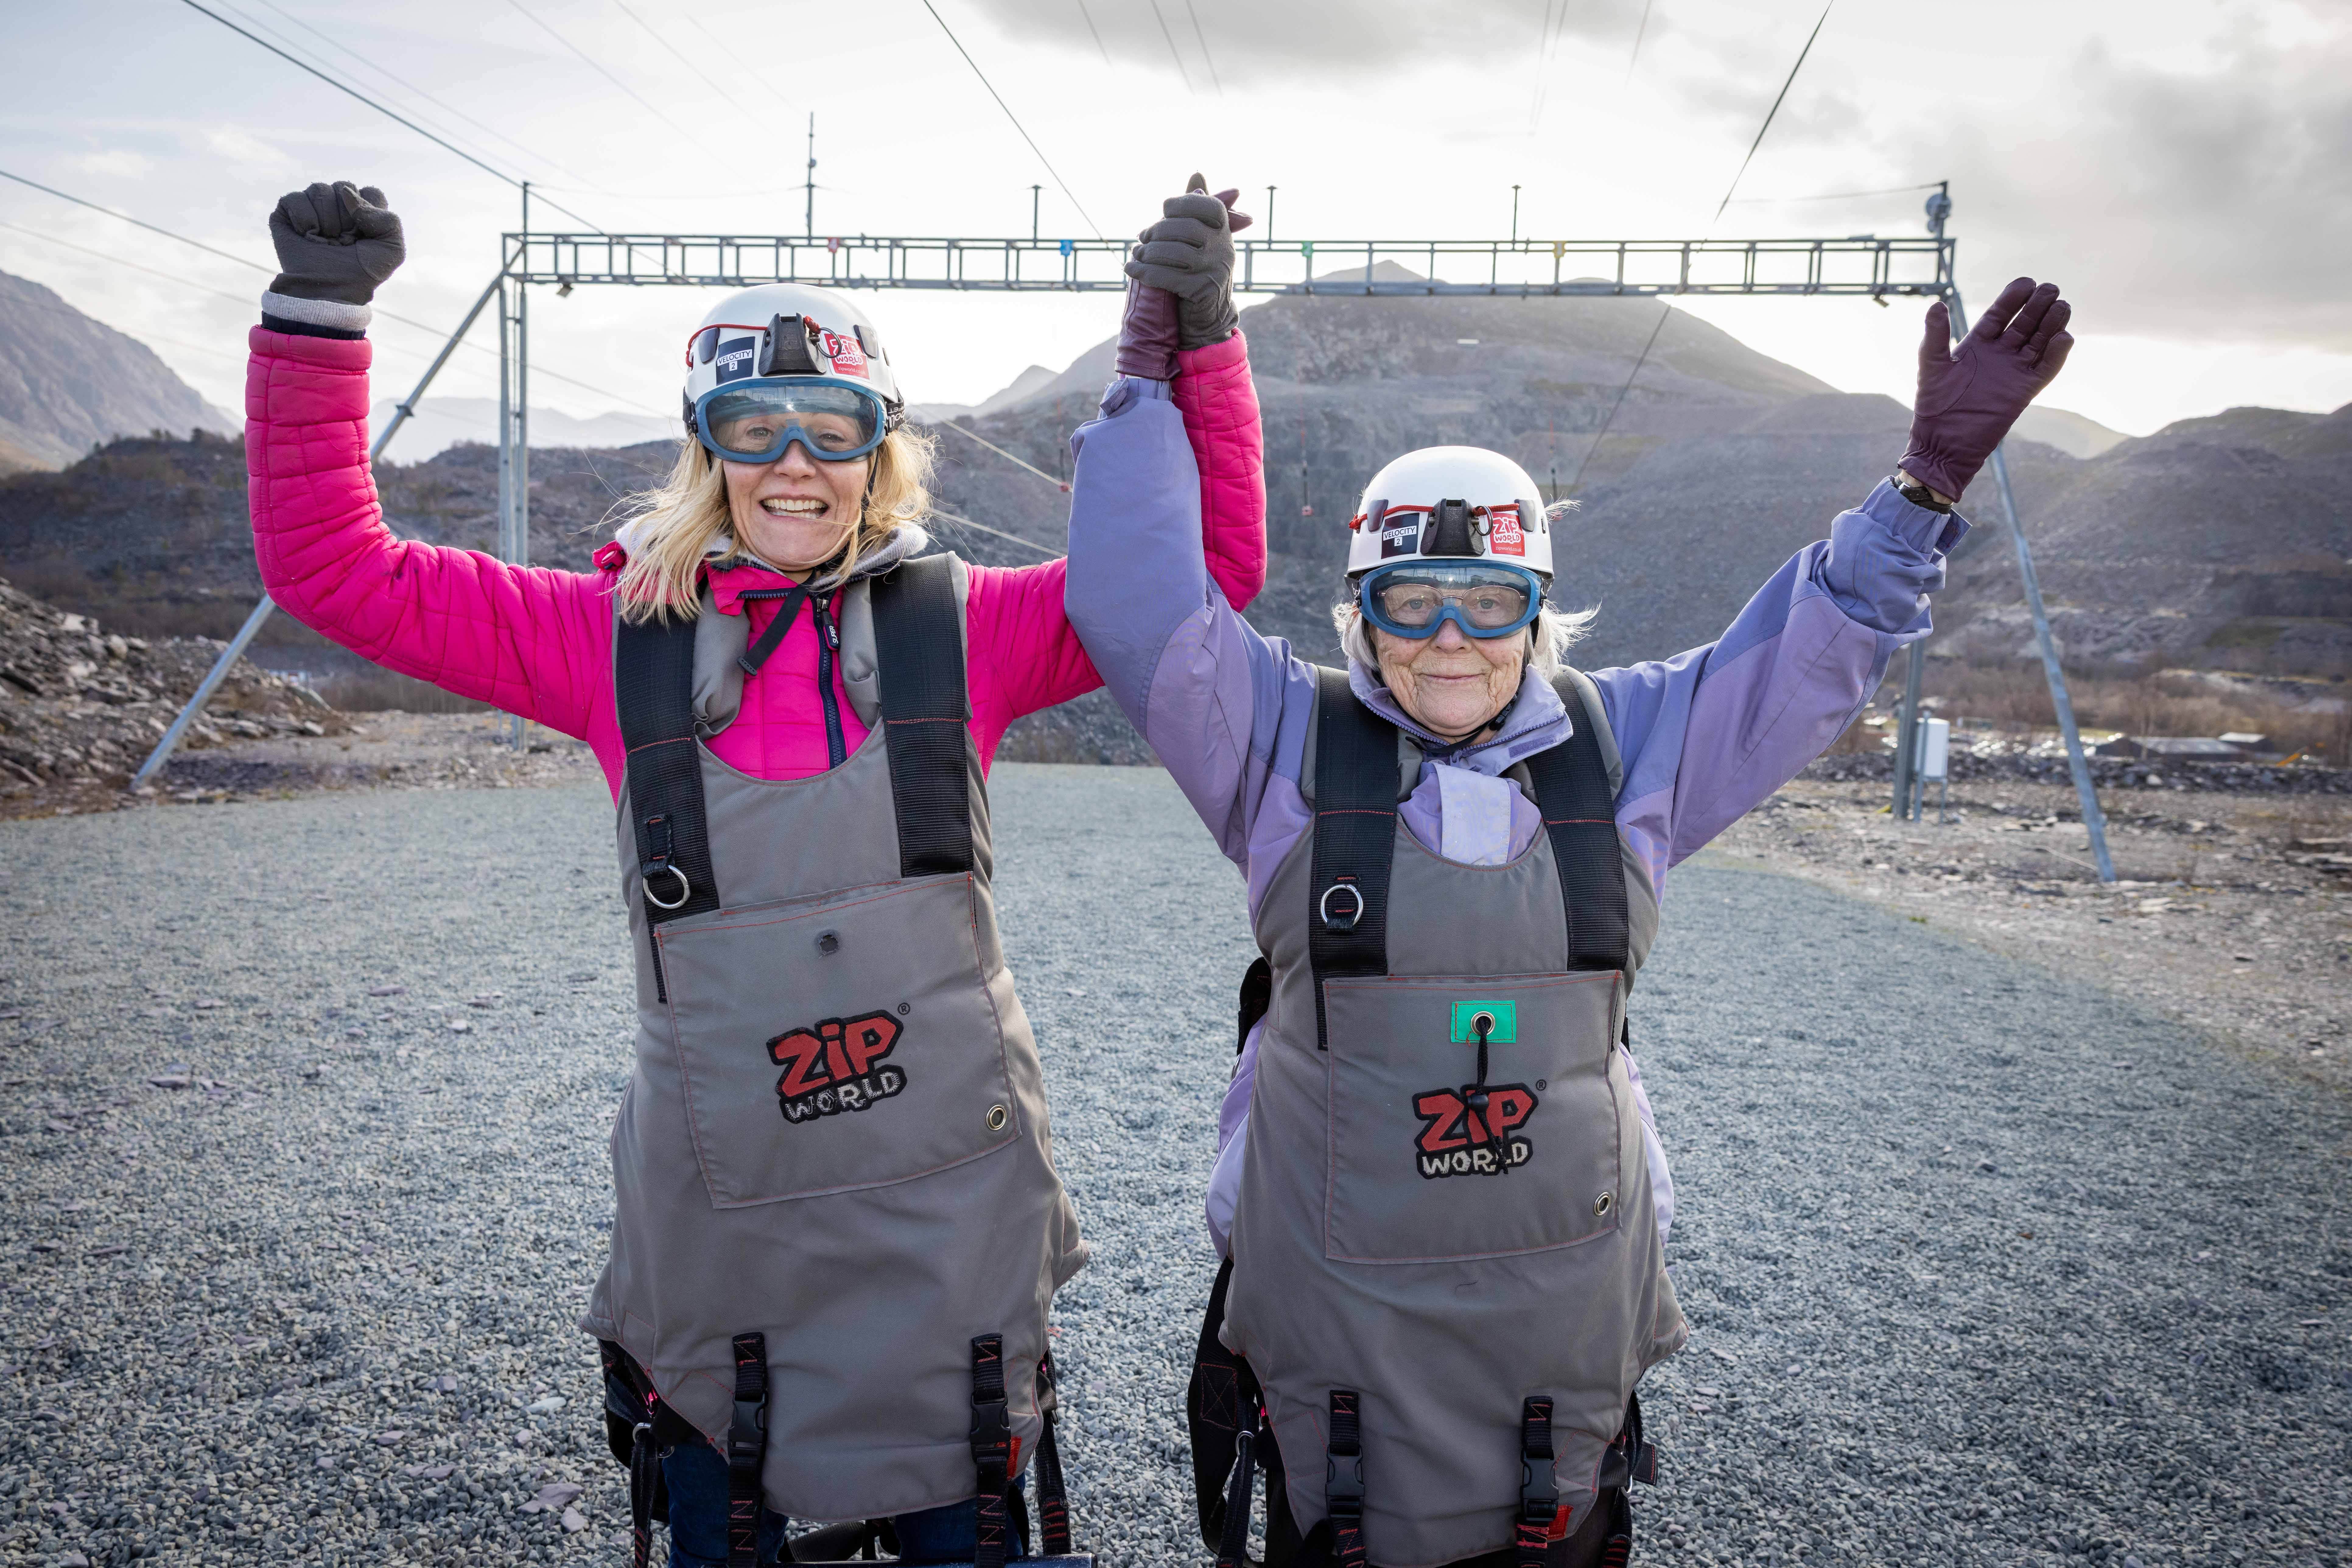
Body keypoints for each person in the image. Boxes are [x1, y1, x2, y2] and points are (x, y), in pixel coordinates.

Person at [245, 179, 1267, 1568]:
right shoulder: (605, 637)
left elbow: (1200, 572)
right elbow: (333, 570)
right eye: (753, 427)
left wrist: (1201, 341)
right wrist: (318, 317)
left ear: (881, 448)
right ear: (705, 446)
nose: (795, 463)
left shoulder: (970, 631)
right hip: (724, 1240)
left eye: (833, 428)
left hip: (950, 1239)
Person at [1071, 186, 2073, 1568]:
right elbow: (1138, 605)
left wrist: (1923, 495)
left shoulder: (1631, 750)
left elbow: (1801, 656)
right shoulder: (1281, 743)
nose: (1447, 639)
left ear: (1538, 610)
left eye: (1490, 601)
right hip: (1332, 1337)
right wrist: (1148, 381)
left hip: (1564, 1335)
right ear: (1358, 610)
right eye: (1408, 602)